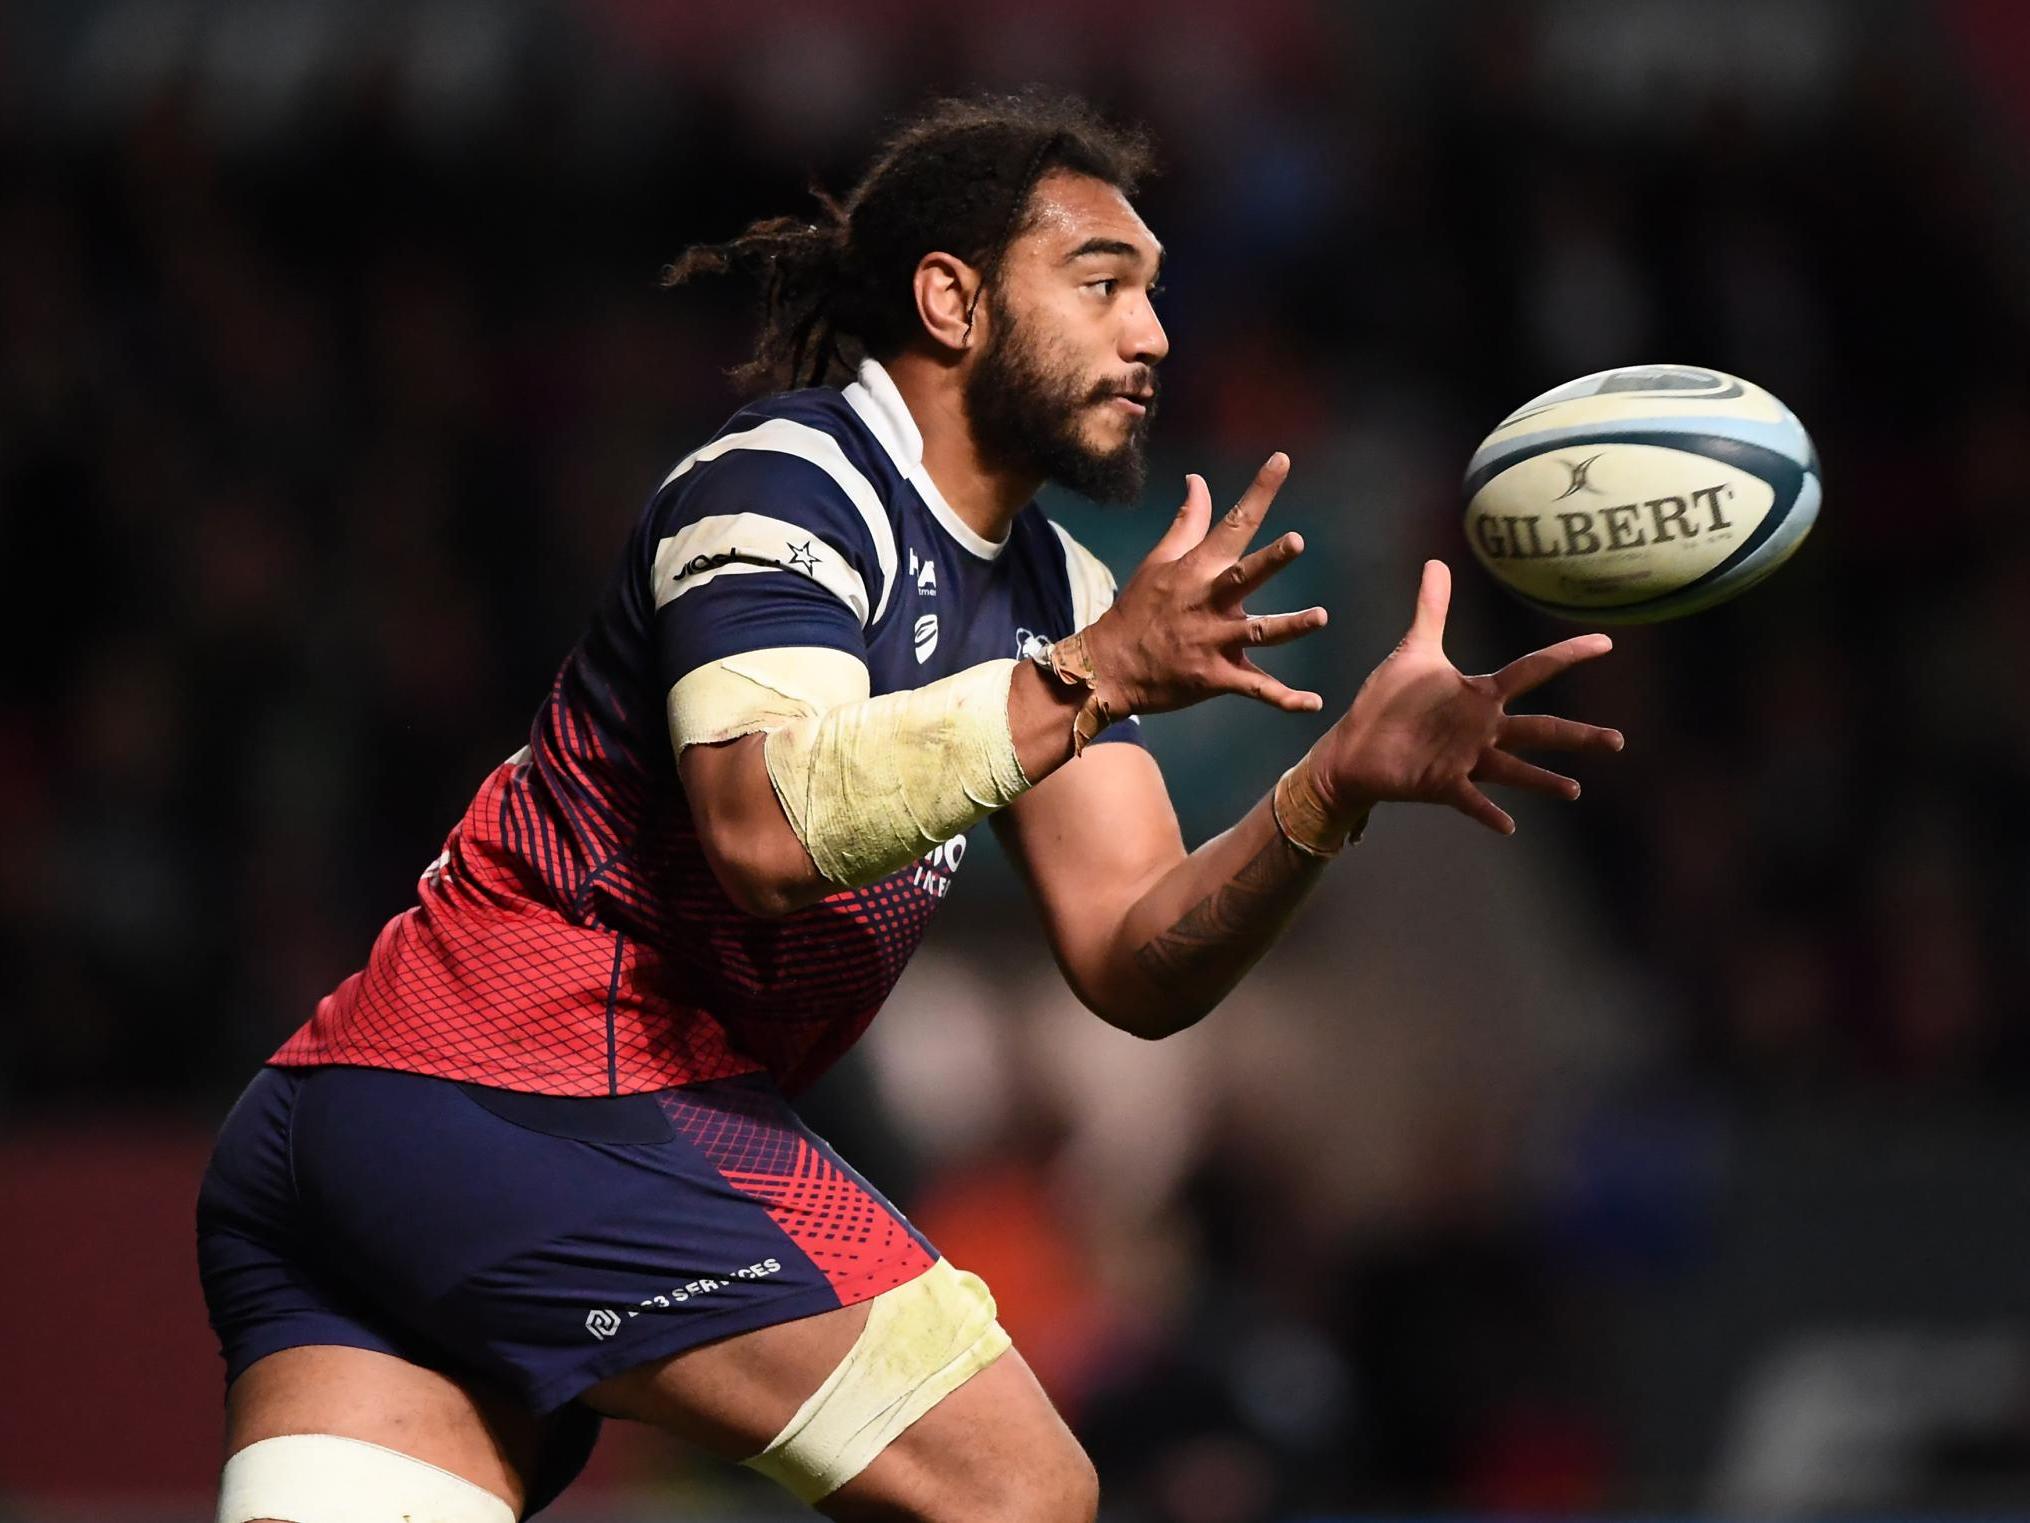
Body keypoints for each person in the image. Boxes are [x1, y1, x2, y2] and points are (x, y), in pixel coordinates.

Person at [196, 90, 1623, 1523]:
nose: (1153, 337)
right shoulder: (786, 484)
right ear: (950, 299)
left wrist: (1328, 793)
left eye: (1156, 295)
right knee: (1016, 1493)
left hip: (376, 1125)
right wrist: (1096, 675)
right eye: (1101, 283)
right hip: (534, 1095)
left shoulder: (1051, 593)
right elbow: (759, 826)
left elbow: (1135, 953)